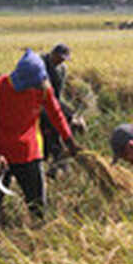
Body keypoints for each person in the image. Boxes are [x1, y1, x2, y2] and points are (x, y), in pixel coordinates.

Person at [0, 49, 79, 231]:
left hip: (30, 154)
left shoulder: (42, 89)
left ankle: (38, 242)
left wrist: (69, 141)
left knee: (38, 211)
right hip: (1, 156)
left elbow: (56, 115)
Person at [40, 43, 77, 175]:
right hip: (38, 104)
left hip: (52, 103)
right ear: (53, 54)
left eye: (64, 59)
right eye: (60, 58)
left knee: (60, 129)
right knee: (48, 135)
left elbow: (57, 95)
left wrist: (71, 114)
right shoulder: (40, 65)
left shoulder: (62, 69)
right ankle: (53, 165)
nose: (61, 61)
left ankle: (56, 167)